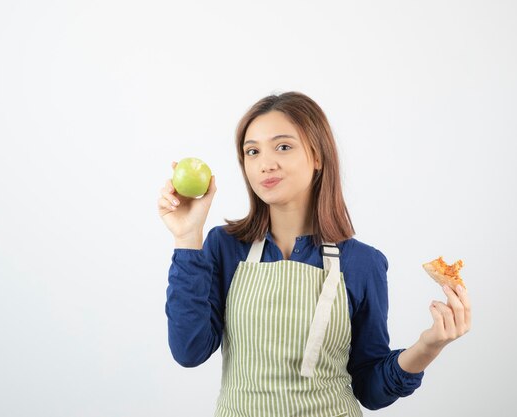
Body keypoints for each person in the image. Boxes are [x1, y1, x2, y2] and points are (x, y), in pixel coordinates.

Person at [157, 91, 471, 416]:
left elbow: (370, 389)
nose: (266, 164)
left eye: (283, 146)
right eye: (252, 151)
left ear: (317, 155)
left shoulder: (363, 263)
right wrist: (187, 236)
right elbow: (189, 351)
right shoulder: (224, 246)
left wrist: (428, 346)